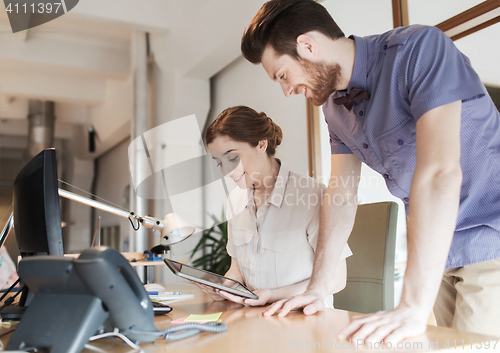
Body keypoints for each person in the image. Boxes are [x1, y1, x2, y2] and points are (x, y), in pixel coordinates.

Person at [240, 0, 500, 343]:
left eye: (283, 75)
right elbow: (341, 193)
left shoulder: (418, 50)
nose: (287, 91)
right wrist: (317, 289)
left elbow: (439, 172)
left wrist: (411, 305)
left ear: (308, 46)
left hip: (491, 232)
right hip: (440, 250)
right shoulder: (334, 108)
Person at [199, 105, 351, 308]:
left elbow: (337, 279)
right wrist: (225, 289)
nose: (226, 171)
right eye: (219, 162)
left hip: (302, 318)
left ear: (261, 144)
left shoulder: (312, 195)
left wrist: (272, 295)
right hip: (254, 317)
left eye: (233, 158)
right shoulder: (235, 200)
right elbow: (236, 269)